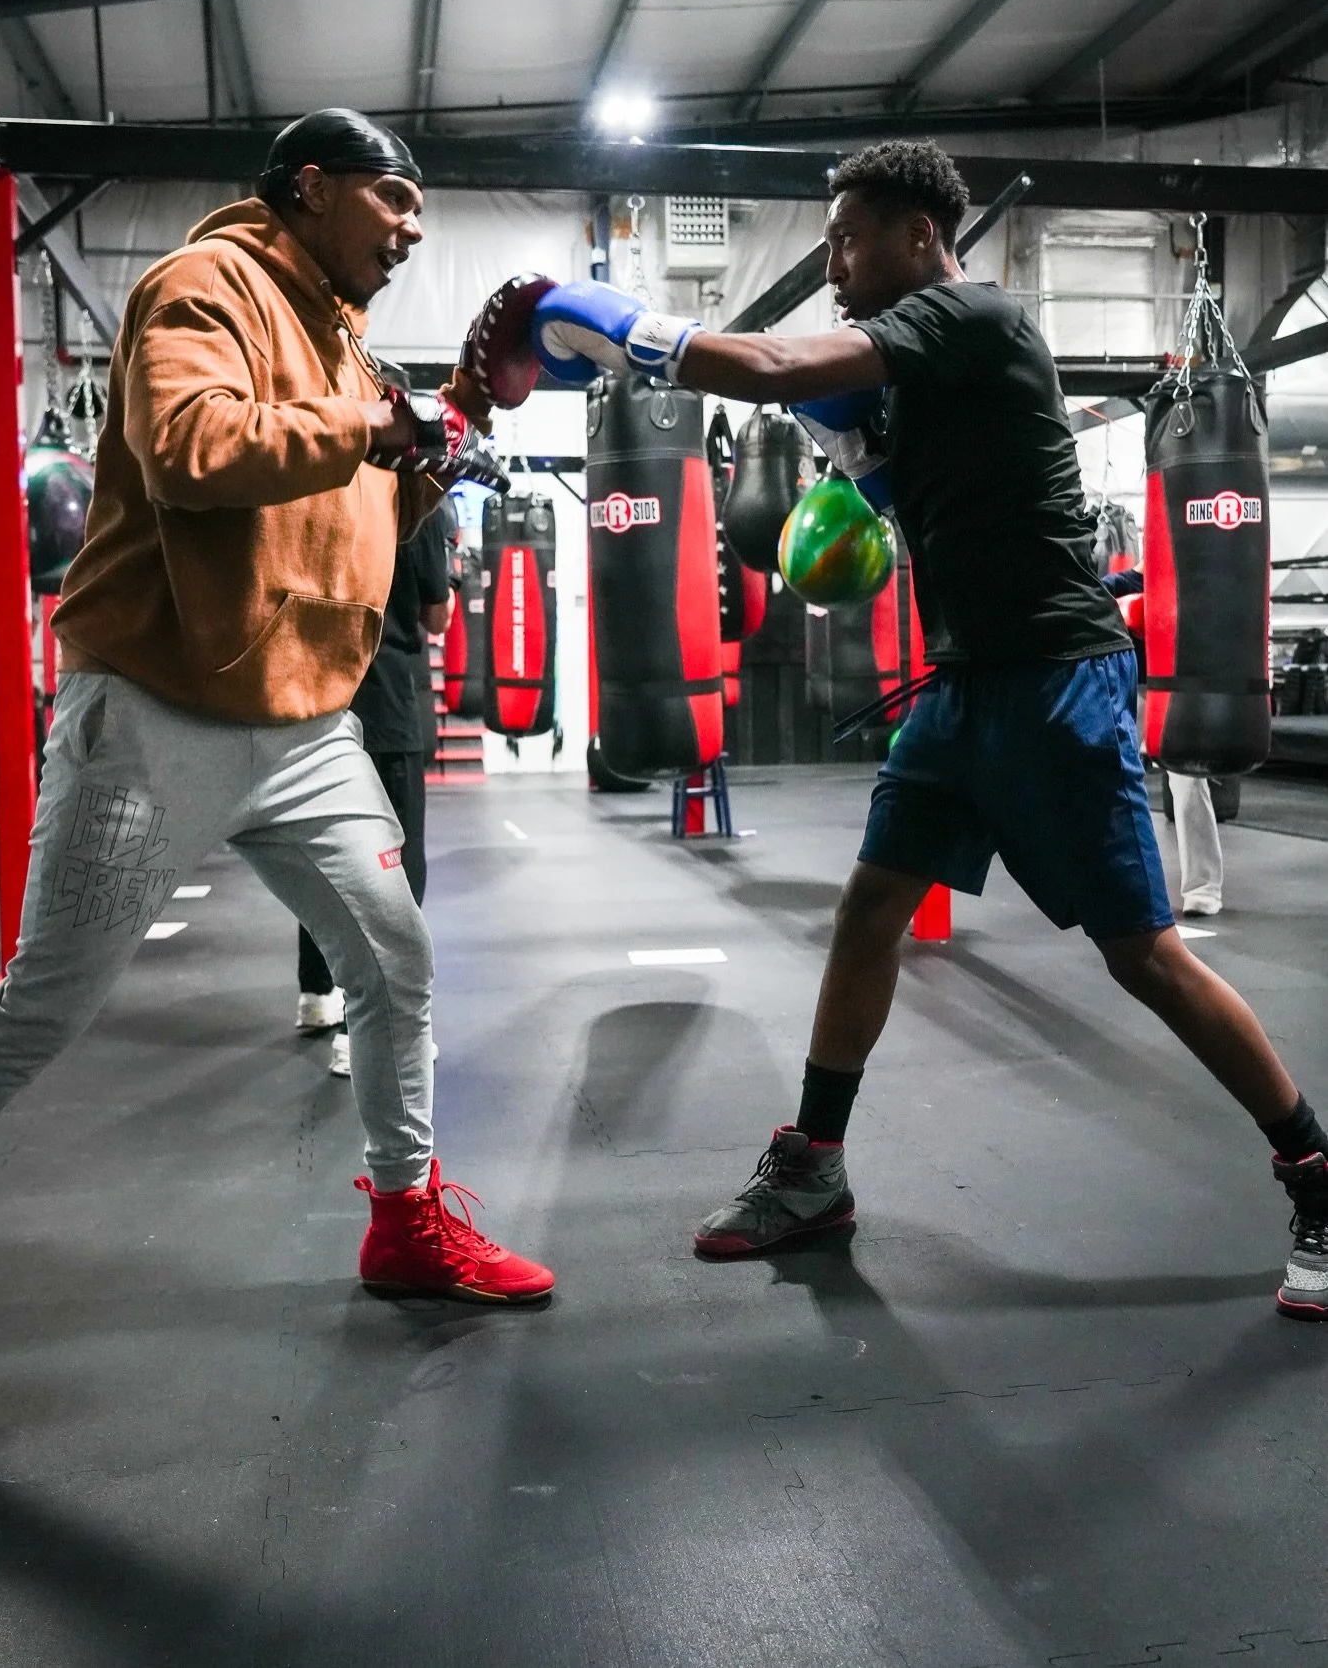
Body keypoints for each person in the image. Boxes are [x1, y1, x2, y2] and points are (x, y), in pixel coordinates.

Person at [525, 137, 1328, 1321]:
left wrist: (618, 322)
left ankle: (1315, 1170)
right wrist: (869, 462)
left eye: (849, 238)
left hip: (1060, 679)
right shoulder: (918, 377)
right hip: (961, 689)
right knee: (867, 912)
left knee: (1141, 953)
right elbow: (923, 491)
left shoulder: (974, 318)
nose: (835, 262)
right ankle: (818, 1163)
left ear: (918, 236)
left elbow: (776, 363)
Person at [0, 107, 553, 1304]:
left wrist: (460, 417)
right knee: (44, 1005)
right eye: (394, 199)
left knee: (396, 966)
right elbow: (190, 444)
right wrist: (383, 422)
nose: (411, 228)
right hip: (154, 712)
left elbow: (364, 524)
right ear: (313, 186)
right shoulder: (207, 281)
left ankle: (404, 1220)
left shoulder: (343, 344)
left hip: (304, 729)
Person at [296, 503, 454, 1077]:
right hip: (387, 697)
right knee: (395, 865)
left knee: (321, 852)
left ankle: (317, 996)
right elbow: (436, 617)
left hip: (318, 694)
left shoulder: (324, 486)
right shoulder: (422, 498)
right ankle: (367, 1032)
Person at [1102, 565, 1223, 917]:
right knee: (1108, 785)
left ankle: (1204, 889)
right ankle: (1109, 884)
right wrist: (1125, 613)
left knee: (1189, 781)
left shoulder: (1192, 582)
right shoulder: (1116, 585)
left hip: (1176, 693)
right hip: (1130, 693)